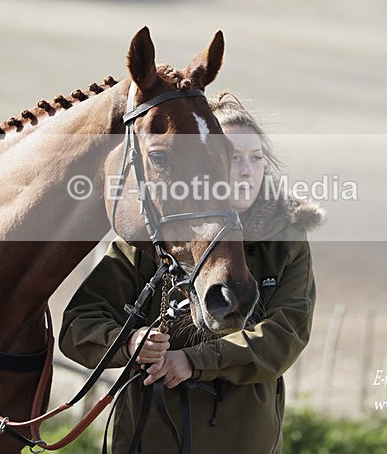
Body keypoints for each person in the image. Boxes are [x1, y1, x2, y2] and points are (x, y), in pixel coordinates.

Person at [59, 92, 323, 454]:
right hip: (146, 438)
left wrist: (192, 362)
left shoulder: (286, 240)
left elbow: (284, 336)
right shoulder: (152, 238)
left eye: (256, 158)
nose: (246, 169)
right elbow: (79, 326)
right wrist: (130, 343)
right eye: (232, 158)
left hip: (242, 442)